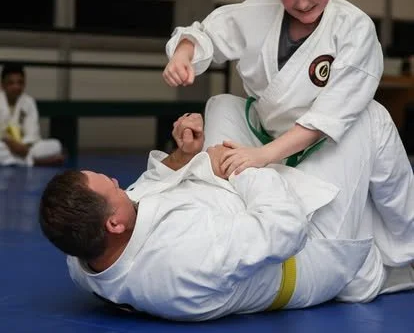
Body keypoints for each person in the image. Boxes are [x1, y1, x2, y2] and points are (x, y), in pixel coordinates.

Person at [39, 97, 414, 321]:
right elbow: (284, 230)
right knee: (366, 115)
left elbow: (147, 190)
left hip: (230, 190)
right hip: (312, 248)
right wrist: (241, 167)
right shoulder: (180, 265)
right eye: (114, 187)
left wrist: (184, 156)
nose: (121, 183)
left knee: (223, 105)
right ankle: (406, 250)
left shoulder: (86, 252)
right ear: (115, 223)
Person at [163, 0, 384, 176]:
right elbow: (206, 33)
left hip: (330, 143)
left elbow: (330, 115)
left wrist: (263, 156)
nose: (302, 3)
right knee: (221, 106)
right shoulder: (259, 13)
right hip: (266, 133)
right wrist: (183, 54)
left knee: (390, 199)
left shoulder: (354, 28)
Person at [0, 63, 64, 166]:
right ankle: (34, 161)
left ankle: (19, 160)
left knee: (56, 145)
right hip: (5, 144)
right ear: (2, 84)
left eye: (20, 82)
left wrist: (23, 146)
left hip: (25, 147)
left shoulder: (28, 102)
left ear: (24, 84)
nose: (16, 86)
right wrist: (9, 142)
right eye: (11, 83)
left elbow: (32, 131)